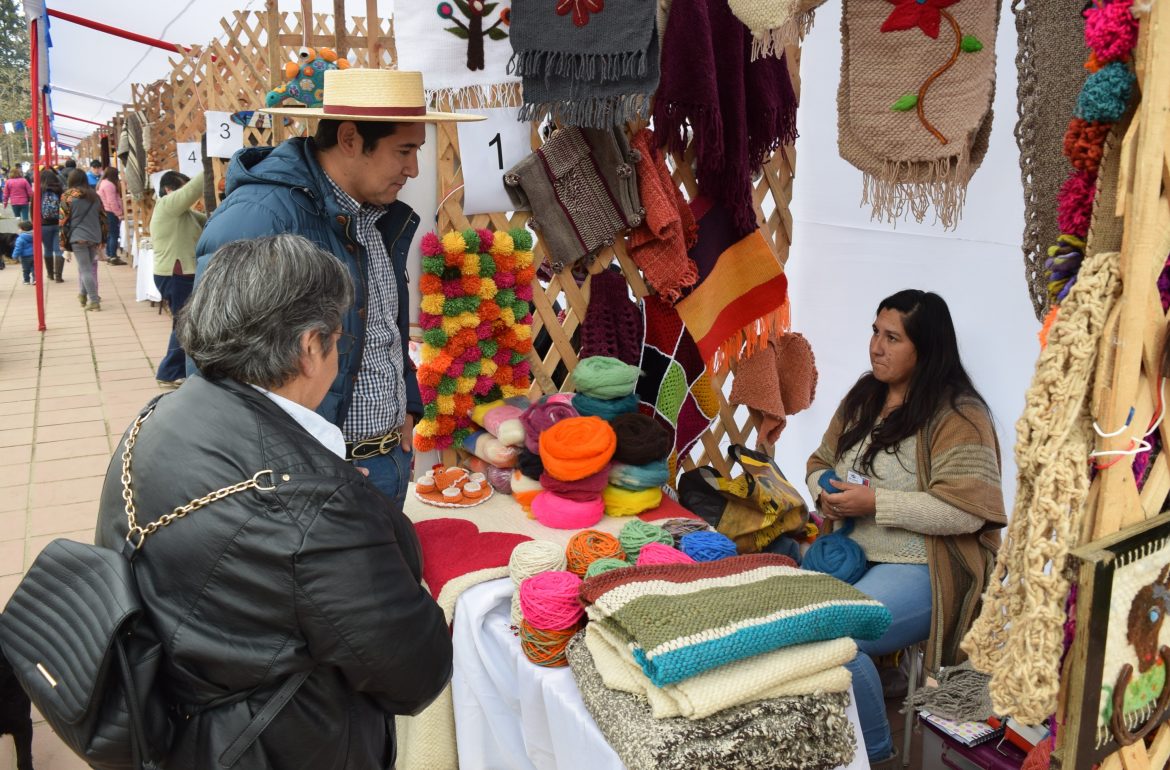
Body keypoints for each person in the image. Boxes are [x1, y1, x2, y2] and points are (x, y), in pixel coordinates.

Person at [93, 233, 451, 769]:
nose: (337, 353)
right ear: (310, 348)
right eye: (339, 340)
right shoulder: (318, 504)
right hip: (279, 744)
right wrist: (352, 513)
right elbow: (415, 671)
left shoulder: (159, 415)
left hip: (179, 712)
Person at [195, 68, 481, 506]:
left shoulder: (371, 213)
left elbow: (382, 326)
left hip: (384, 458)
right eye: (404, 150)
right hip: (313, 478)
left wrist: (407, 403)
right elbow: (216, 365)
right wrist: (290, 472)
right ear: (349, 139)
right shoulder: (261, 217)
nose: (414, 168)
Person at [806, 289, 1006, 769]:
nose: (876, 346)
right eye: (875, 332)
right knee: (789, 618)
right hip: (851, 552)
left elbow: (967, 512)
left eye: (892, 337)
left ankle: (878, 758)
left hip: (925, 567)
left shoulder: (960, 415)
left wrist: (877, 503)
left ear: (926, 347)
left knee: (837, 640)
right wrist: (825, 488)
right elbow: (818, 461)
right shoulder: (864, 397)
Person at [151, 170, 206, 388]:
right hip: (175, 274)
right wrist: (213, 164)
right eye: (182, 188)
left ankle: (177, 369)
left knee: (184, 322)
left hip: (180, 273)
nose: (186, 194)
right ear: (169, 190)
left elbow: (210, 219)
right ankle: (169, 372)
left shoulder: (186, 215)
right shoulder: (166, 205)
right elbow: (193, 190)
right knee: (184, 322)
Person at [59, 169, 107, 311]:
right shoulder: (94, 195)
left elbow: (62, 221)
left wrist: (62, 242)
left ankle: (93, 301)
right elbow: (103, 218)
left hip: (78, 237)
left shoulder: (68, 196)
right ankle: (82, 295)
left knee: (85, 269)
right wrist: (103, 238)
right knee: (86, 267)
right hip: (94, 236)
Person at [96, 166, 126, 265]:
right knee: (114, 234)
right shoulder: (109, 185)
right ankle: (113, 256)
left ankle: (110, 254)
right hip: (111, 212)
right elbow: (112, 201)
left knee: (110, 234)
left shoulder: (102, 183)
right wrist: (119, 213)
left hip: (105, 211)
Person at [39, 169, 65, 283]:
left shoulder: (39, 191)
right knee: (59, 249)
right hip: (58, 223)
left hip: (44, 225)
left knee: (48, 249)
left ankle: (50, 274)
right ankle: (58, 276)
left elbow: (33, 209)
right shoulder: (60, 190)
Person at [11, 220, 34, 284]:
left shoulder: (20, 238)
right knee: (34, 269)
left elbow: (18, 248)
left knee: (26, 269)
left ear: (22, 229)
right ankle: (35, 280)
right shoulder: (35, 235)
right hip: (34, 255)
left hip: (25, 257)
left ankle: (26, 280)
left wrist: (14, 256)